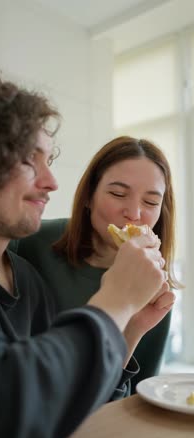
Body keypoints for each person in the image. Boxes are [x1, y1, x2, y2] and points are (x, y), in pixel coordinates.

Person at [0, 62, 170, 438]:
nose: (52, 182)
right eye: (29, 160)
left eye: (49, 160)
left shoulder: (27, 280)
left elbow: (69, 408)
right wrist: (115, 298)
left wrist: (131, 327)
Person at [15, 136, 179, 392]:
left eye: (150, 202)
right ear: (89, 197)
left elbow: (136, 396)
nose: (134, 214)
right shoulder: (30, 243)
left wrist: (133, 329)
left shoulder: (154, 286)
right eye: (117, 193)